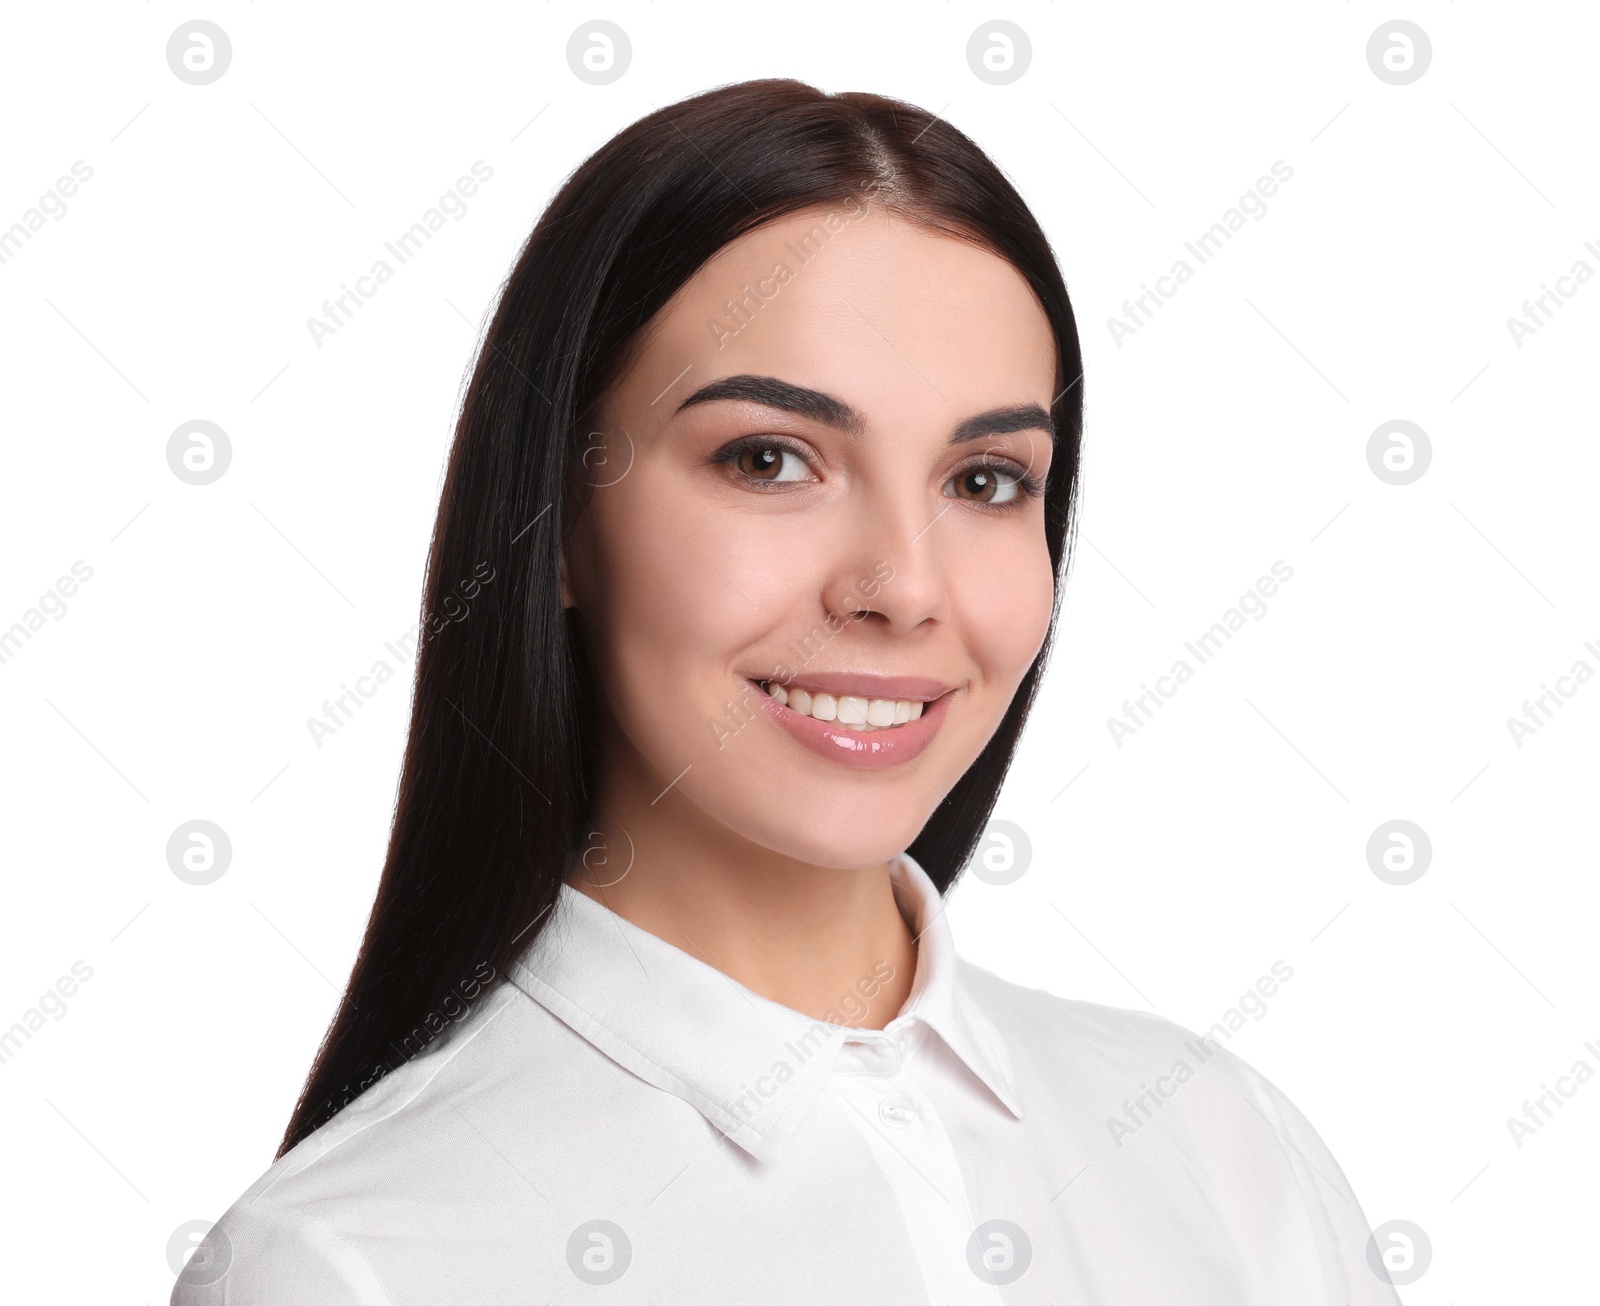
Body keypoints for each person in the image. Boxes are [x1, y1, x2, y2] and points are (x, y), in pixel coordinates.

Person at [173, 79, 1400, 1304]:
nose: (902, 587)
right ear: (554, 527)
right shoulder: (350, 1265)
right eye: (769, 459)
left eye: (982, 480)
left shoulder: (1231, 1155)